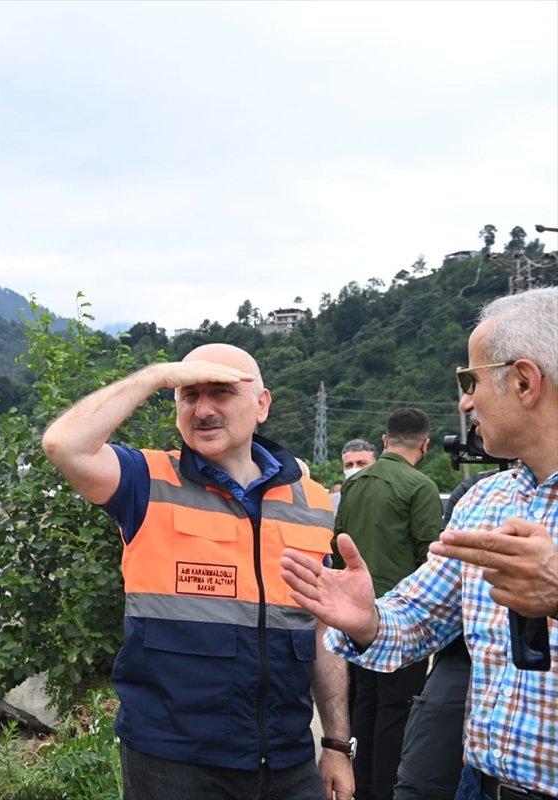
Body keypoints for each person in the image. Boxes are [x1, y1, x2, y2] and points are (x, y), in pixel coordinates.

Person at [42, 343, 354, 800]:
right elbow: (62, 443)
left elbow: (322, 632)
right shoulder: (145, 480)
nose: (203, 409)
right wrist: (155, 375)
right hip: (173, 763)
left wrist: (335, 744)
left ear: (261, 404)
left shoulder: (310, 501)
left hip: (287, 761)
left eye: (221, 392)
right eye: (189, 395)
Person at [281, 286, 558, 800]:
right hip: (480, 784)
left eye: (470, 380)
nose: (464, 401)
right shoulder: (485, 500)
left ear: (524, 381)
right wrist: (368, 619)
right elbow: (422, 614)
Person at [333, 409, 442, 800]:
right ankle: (384, 792)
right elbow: (434, 561)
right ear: (425, 445)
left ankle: (359, 788)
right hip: (404, 622)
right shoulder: (421, 487)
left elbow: (337, 546)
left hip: (357, 617)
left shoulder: (353, 486)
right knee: (396, 712)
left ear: (384, 441)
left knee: (364, 704)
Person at [393, 470, 498, 800]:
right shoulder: (479, 495)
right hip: (454, 680)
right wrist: (370, 619)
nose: (465, 413)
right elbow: (426, 604)